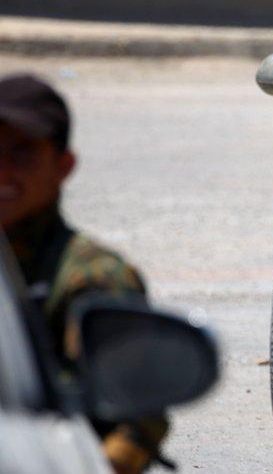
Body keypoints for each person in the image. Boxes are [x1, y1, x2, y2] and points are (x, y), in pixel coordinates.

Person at [0, 74, 168, 474]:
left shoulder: (92, 277)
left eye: (22, 153)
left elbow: (140, 416)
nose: (3, 170)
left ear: (64, 165)